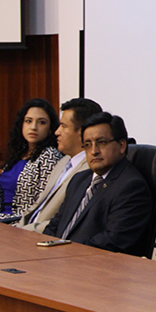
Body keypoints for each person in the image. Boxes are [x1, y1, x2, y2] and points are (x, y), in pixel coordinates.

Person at [43, 112, 152, 255]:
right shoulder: (79, 180)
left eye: (101, 142)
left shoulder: (131, 186)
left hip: (91, 266)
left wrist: (64, 253)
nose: (94, 151)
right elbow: (55, 225)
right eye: (87, 145)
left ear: (121, 145)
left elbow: (113, 241)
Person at [16, 98, 102, 233]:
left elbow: (66, 221)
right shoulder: (63, 161)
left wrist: (21, 232)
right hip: (24, 231)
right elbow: (36, 207)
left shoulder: (90, 169)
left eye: (63, 126)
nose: (57, 132)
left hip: (42, 238)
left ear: (83, 132)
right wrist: (14, 228)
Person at [0, 98, 63, 222]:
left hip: (21, 223)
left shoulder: (50, 156)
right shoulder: (18, 153)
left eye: (41, 122)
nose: (33, 127)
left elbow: (41, 204)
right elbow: (0, 192)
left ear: (51, 129)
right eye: (28, 121)